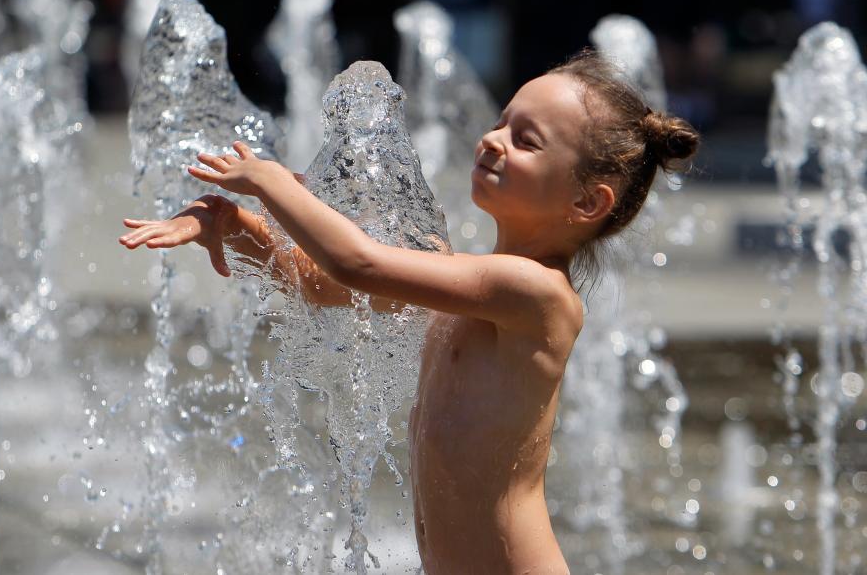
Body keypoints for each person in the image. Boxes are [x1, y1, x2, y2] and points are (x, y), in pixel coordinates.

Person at [118, 50, 700, 574]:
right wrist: (230, 224)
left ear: (586, 201)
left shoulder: (538, 296)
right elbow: (321, 284)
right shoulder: (465, 281)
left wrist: (269, 182)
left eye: (527, 141)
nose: (494, 140)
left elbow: (359, 263)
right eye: (501, 122)